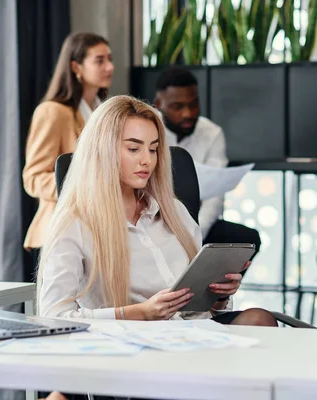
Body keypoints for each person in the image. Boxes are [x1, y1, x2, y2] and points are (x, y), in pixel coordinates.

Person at [37, 95, 277, 329]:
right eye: (134, 148)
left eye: (153, 150)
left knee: (260, 318)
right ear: (102, 150)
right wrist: (138, 313)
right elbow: (53, 315)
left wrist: (219, 296)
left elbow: (200, 311)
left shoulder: (173, 211)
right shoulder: (75, 223)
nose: (147, 161)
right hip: (134, 340)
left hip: (197, 331)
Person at [23, 32, 114, 264]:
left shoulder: (104, 111)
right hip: (60, 232)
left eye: (109, 59)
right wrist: (81, 189)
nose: (110, 67)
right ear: (76, 66)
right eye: (99, 60)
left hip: (98, 232)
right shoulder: (53, 112)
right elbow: (33, 178)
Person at [153, 68, 261, 263]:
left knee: (245, 239)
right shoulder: (149, 129)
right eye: (177, 107)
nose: (187, 113)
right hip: (156, 222)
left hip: (198, 222)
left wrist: (194, 235)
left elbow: (214, 197)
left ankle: (214, 293)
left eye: (193, 104)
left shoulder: (212, 133)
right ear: (159, 104)